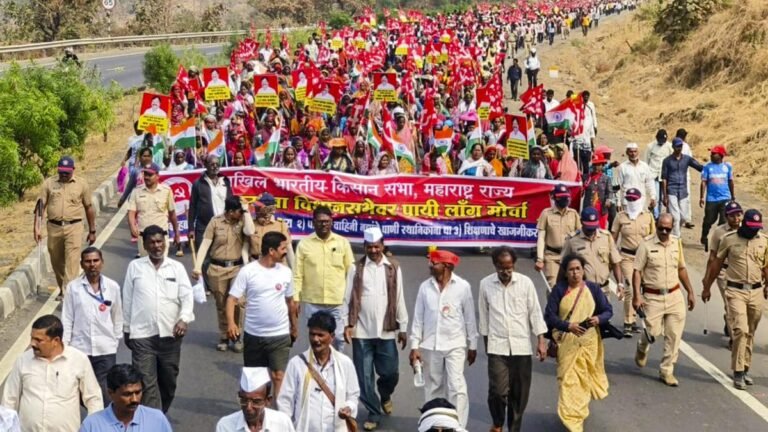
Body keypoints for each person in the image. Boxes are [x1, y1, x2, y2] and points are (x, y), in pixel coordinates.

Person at [122, 225, 195, 412]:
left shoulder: (176, 268)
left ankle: (159, 415)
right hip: (142, 336)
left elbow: (187, 297)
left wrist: (184, 319)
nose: (157, 246)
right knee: (146, 384)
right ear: (145, 245)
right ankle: (153, 421)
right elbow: (127, 299)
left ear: (165, 243)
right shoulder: (135, 267)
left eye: (160, 241)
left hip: (171, 336)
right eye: (152, 242)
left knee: (168, 383)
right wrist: (127, 329)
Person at [342, 227, 408, 431]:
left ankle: (385, 394)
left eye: (376, 246)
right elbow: (347, 298)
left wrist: (403, 327)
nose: (373, 250)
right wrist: (347, 324)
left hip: (386, 331)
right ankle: (373, 411)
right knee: (364, 377)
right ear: (364, 247)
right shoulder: (356, 268)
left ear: (382, 245)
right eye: (369, 247)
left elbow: (399, 297)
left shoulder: (393, 267)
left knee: (390, 373)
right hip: (361, 331)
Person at [478, 247, 547, 432]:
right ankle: (498, 423)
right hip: (497, 347)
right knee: (497, 392)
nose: (505, 272)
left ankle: (514, 429)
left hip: (521, 347)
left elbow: (535, 313)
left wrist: (541, 341)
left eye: (509, 268)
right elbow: (483, 318)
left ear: (514, 265)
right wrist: (487, 347)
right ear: (495, 265)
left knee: (519, 394)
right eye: (501, 268)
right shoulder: (485, 284)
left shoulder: (526, 283)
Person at [409, 249, 478, 428]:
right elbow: (418, 318)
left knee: (457, 388)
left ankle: (458, 426)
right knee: (433, 387)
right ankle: (433, 425)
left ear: (446, 266)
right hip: (430, 346)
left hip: (455, 345)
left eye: (433, 263)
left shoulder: (462, 287)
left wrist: (473, 345)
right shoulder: (425, 287)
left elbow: (470, 318)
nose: (430, 266)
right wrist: (414, 346)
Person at [544, 254, 611, 431]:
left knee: (584, 378)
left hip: (589, 342)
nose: (575, 273)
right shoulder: (559, 290)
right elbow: (549, 316)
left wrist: (598, 318)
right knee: (568, 379)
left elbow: (608, 310)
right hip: (567, 342)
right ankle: (572, 420)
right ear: (565, 273)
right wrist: (568, 326)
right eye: (571, 270)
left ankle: (578, 412)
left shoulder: (593, 289)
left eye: (578, 269)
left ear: (583, 270)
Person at [702, 209, 768, 390]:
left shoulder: (764, 241)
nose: (754, 231)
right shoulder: (729, 239)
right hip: (735, 290)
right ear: (744, 224)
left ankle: (745, 367)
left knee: (750, 332)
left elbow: (766, 266)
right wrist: (707, 287)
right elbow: (716, 264)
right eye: (751, 227)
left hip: (756, 291)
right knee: (740, 330)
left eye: (757, 228)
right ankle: (738, 371)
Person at [1, 315, 102, 432]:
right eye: (32, 338)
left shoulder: (79, 360)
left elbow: (94, 398)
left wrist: (92, 428)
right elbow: (9, 399)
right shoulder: (23, 360)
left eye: (38, 340)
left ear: (56, 341)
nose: (32, 343)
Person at [228, 231, 298, 400]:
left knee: (278, 376)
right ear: (271, 251)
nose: (286, 252)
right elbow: (232, 299)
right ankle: (257, 408)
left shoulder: (286, 272)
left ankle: (279, 412)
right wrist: (231, 323)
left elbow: (291, 302)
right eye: (283, 248)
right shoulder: (248, 271)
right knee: (255, 379)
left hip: (279, 335)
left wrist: (294, 327)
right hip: (254, 335)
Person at [633, 213, 696, 387]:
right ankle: (642, 346)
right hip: (653, 297)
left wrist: (690, 291)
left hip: (674, 295)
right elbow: (637, 271)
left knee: (674, 335)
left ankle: (667, 370)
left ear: (672, 227)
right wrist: (637, 295)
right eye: (660, 228)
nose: (663, 232)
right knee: (652, 332)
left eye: (667, 229)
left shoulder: (676, 243)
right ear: (656, 225)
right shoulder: (646, 245)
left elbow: (681, 268)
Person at [277, 310, 360, 431]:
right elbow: (285, 401)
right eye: (312, 334)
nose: (315, 339)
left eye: (320, 335)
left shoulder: (345, 363)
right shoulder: (296, 364)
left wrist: (348, 408)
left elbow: (353, 396)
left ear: (332, 337)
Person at [193, 196, 255, 352]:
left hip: (237, 268)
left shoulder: (243, 221)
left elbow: (250, 231)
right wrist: (197, 267)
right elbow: (205, 244)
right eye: (239, 211)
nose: (241, 214)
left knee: (238, 302)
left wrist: (246, 211)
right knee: (221, 304)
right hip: (217, 268)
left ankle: (237, 335)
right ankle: (224, 335)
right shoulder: (215, 222)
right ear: (230, 211)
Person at [61, 247, 123, 405]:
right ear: (82, 264)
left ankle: (103, 419)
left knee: (105, 391)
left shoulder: (112, 287)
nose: (92, 264)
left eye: (96, 260)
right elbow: (67, 318)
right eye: (88, 261)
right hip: (80, 349)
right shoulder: (73, 288)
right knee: (80, 391)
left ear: (102, 262)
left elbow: (117, 316)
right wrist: (65, 346)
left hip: (105, 349)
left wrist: (115, 340)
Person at [34, 155, 96, 298]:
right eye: (61, 172)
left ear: (73, 169)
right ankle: (63, 287)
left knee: (72, 261)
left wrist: (92, 230)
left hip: (74, 227)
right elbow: (40, 207)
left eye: (67, 172)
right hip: (54, 227)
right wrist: (37, 228)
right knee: (56, 260)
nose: (64, 175)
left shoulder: (82, 184)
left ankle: (68, 293)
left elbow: (89, 207)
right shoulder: (49, 183)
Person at [294, 205, 354, 351]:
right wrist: (295, 298)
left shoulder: (342, 242)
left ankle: (336, 363)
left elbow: (351, 272)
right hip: (313, 302)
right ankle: (317, 364)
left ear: (331, 222)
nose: (324, 224)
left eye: (327, 221)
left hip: (337, 301)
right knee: (316, 339)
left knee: (338, 338)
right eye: (320, 221)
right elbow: (297, 274)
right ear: (313, 222)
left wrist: (351, 299)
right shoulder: (304, 244)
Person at [611, 188, 655, 336]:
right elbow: (612, 239)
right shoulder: (620, 217)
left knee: (643, 288)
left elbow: (654, 237)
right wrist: (612, 258)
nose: (631, 202)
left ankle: (636, 317)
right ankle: (628, 321)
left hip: (644, 258)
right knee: (630, 287)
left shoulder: (648, 217)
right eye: (628, 199)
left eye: (634, 199)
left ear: (640, 200)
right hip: (627, 257)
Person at [79, 364, 173, 431]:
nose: (134, 399)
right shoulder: (92, 425)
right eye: (127, 394)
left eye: (138, 392)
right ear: (111, 393)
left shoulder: (157, 419)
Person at [701, 201, 742, 344]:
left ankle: (730, 322)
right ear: (726, 216)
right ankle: (734, 340)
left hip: (740, 272)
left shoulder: (746, 229)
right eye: (732, 216)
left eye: (738, 215)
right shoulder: (719, 232)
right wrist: (707, 280)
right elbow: (712, 257)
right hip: (723, 271)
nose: (736, 219)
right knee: (730, 305)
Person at [189, 156, 234, 290]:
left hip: (224, 224)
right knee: (204, 257)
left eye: (217, 164)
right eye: (212, 164)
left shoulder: (225, 181)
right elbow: (192, 207)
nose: (215, 166)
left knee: (221, 255)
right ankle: (208, 286)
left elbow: (231, 202)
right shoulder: (198, 184)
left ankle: (219, 283)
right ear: (206, 165)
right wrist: (190, 228)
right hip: (204, 225)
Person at [562, 207, 624, 298]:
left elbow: (616, 263)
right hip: (582, 291)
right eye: (588, 227)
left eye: (593, 227)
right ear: (581, 222)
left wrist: (620, 284)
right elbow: (563, 267)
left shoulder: (606, 237)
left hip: (603, 291)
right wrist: (560, 290)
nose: (591, 230)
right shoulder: (572, 240)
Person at [216, 367, 296, 431]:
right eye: (244, 400)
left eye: (256, 402)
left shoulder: (282, 423)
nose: (248, 407)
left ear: (268, 401)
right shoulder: (225, 426)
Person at [127, 163, 179, 257]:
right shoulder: (136, 191)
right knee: (145, 264)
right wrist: (132, 226)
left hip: (161, 237)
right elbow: (131, 212)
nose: (146, 177)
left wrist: (177, 233)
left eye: (150, 175)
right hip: (144, 237)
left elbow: (172, 214)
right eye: (145, 174)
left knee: (161, 263)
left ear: (157, 176)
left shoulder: (166, 191)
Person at [535, 184, 582, 287]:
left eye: (566, 197)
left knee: (572, 288)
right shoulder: (546, 214)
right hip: (552, 256)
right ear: (554, 197)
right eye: (561, 197)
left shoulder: (573, 214)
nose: (564, 200)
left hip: (569, 257)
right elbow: (541, 238)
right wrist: (540, 259)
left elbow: (580, 235)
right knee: (554, 287)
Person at [661, 138, 703, 236]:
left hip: (683, 190)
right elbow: (664, 179)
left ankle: (675, 232)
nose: (679, 148)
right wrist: (665, 195)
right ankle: (677, 238)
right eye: (677, 146)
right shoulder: (667, 161)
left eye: (680, 146)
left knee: (683, 217)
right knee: (675, 217)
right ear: (673, 147)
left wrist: (712, 168)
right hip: (671, 190)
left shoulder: (687, 159)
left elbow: (699, 167)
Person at [700, 145, 734, 251]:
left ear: (721, 155)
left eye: (714, 153)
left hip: (725, 198)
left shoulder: (727, 167)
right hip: (711, 199)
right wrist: (701, 197)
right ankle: (704, 235)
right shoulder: (707, 167)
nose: (711, 155)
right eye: (711, 153)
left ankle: (719, 242)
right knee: (709, 220)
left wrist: (732, 196)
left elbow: (730, 181)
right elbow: (703, 182)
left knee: (723, 221)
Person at [249, 193, 295, 266]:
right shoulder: (251, 225)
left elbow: (289, 249)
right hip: (256, 266)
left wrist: (294, 270)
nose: (256, 209)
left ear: (269, 208)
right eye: (256, 207)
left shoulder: (280, 225)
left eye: (260, 207)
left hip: (276, 266)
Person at [615, 142, 656, 211]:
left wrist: (653, 196)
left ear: (638, 152)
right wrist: (618, 202)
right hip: (627, 202)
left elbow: (650, 182)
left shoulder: (644, 166)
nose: (633, 154)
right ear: (627, 153)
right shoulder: (622, 167)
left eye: (635, 151)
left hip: (641, 201)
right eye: (631, 152)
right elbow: (618, 186)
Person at [645, 129, 672, 218]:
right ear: (656, 138)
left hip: (664, 176)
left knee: (663, 197)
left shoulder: (669, 146)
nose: (661, 142)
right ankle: (656, 216)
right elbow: (646, 161)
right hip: (653, 175)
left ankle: (659, 215)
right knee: (655, 196)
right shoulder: (650, 146)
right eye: (660, 140)